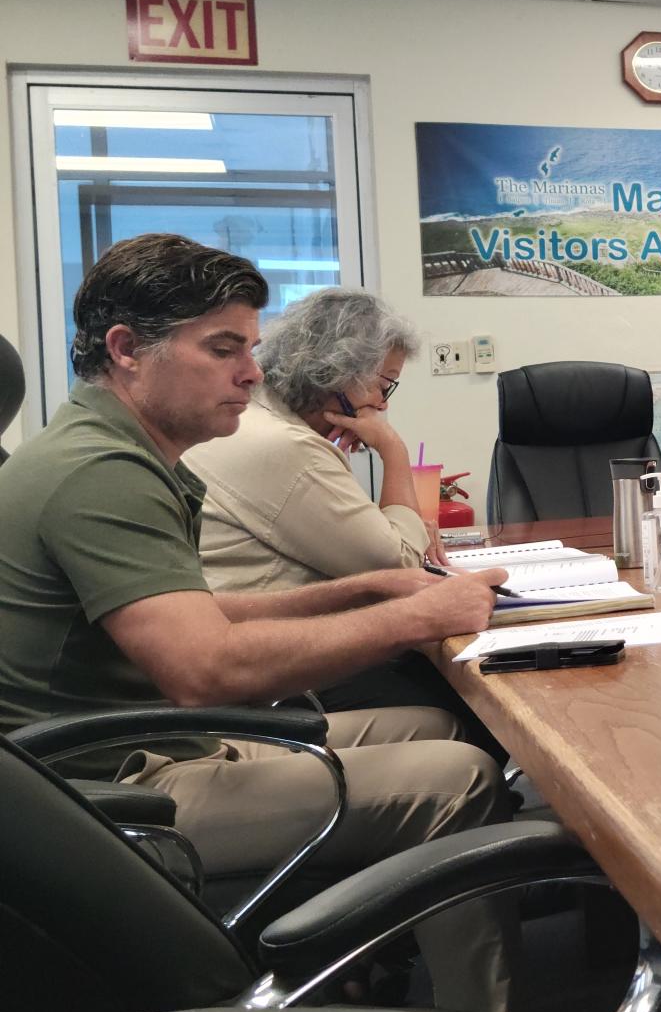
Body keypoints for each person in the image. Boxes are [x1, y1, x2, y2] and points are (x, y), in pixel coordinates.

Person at [0, 234, 517, 1012]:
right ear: (126, 350)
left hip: (135, 742)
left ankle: (378, 973)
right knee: (460, 777)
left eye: (251, 347)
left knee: (426, 724)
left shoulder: (115, 448)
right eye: (222, 349)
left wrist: (366, 589)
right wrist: (413, 615)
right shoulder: (99, 473)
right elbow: (204, 668)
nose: (251, 372)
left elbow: (192, 613)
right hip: (108, 787)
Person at [183, 286, 504, 748]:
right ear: (339, 374)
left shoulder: (259, 422)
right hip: (284, 675)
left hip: (264, 650)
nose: (384, 403)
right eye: (383, 384)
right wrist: (392, 449)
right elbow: (399, 562)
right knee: (471, 701)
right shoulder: (286, 446)